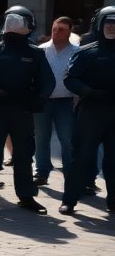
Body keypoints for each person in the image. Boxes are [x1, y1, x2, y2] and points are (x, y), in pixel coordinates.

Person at [0, 5, 54, 213]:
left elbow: (48, 81)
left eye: (19, 22)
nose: (14, 26)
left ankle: (26, 196)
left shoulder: (35, 53)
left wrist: (40, 97)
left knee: (24, 155)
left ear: (30, 25)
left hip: (22, 110)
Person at [59, 5, 114, 216]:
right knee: (81, 157)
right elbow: (70, 78)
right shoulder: (87, 52)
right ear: (99, 25)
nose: (112, 28)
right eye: (108, 23)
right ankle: (69, 200)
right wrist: (88, 91)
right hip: (91, 111)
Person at [34, 16, 78, 187]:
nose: (56, 32)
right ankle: (41, 172)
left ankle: (70, 172)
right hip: (43, 101)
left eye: (61, 29)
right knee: (41, 138)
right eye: (54, 28)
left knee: (67, 139)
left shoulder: (77, 51)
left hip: (66, 102)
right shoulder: (41, 50)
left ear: (69, 32)